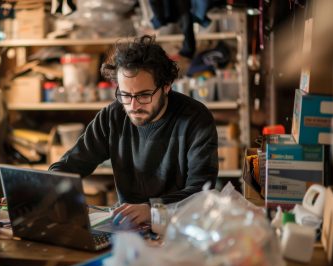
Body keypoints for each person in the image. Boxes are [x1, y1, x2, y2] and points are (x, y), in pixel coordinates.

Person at [49, 35, 218, 227]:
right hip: (127, 226)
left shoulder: (196, 119)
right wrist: (45, 190)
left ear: (166, 86)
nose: (133, 106)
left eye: (144, 95)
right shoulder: (112, 115)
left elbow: (201, 192)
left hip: (180, 227)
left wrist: (153, 210)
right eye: (125, 95)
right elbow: (69, 166)